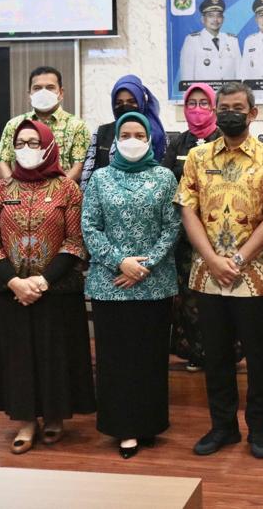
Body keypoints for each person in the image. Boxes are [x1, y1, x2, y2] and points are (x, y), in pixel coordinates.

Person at [176, 82, 263, 460]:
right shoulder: (197, 157)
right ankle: (222, 426)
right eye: (223, 106)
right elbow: (187, 209)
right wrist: (210, 259)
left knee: (259, 357)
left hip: (254, 276)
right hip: (207, 274)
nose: (230, 113)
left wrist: (238, 260)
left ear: (252, 113)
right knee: (216, 356)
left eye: (238, 107)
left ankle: (259, 429)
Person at [0, 120, 94, 454]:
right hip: (12, 290)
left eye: (33, 142)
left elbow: (75, 241)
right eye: (21, 143)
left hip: (57, 289)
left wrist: (42, 281)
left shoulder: (67, 190)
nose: (26, 149)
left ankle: (55, 416)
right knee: (19, 357)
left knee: (54, 353)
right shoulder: (0, 190)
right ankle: (26, 420)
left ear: (48, 146)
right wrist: (14, 280)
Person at [81, 112, 180, 459]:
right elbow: (90, 226)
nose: (133, 140)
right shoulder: (100, 179)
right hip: (111, 285)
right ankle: (123, 428)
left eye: (140, 134)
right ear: (117, 139)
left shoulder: (165, 177)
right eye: (126, 134)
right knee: (116, 359)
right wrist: (119, 262)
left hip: (155, 285)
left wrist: (146, 265)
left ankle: (149, 422)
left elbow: (173, 226)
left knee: (150, 358)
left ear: (150, 139)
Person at [162, 83, 222, 372]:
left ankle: (219, 353)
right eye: (191, 103)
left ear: (214, 107)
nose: (197, 109)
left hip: (217, 235)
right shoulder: (178, 142)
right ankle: (194, 352)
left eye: (203, 103)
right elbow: (165, 180)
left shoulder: (223, 138)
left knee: (215, 297)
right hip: (183, 235)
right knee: (187, 296)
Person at [0, 66, 89, 183]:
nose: (43, 92)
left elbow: (79, 167)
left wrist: (55, 193)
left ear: (61, 93)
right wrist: (16, 191)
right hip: (19, 197)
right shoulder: (14, 125)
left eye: (50, 88)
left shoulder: (77, 126)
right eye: (37, 88)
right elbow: (2, 164)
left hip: (61, 197)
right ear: (30, 94)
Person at [80, 75, 167, 193]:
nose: (125, 106)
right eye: (119, 103)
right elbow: (88, 172)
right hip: (106, 197)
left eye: (132, 101)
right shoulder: (101, 132)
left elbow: (163, 173)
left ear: (141, 102)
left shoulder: (157, 134)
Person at [179, 0, 241, 83]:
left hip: (228, 95)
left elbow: (239, 75)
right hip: (204, 95)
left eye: (219, 16)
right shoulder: (192, 41)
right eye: (210, 15)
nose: (215, 19)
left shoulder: (232, 41)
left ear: (223, 19)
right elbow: (187, 79)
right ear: (203, 19)